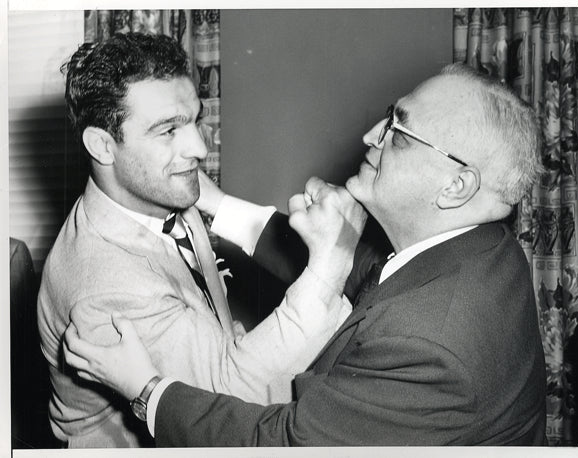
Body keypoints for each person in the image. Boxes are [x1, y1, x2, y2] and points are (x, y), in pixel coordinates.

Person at [63, 63, 548, 446]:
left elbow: (284, 442)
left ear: (456, 185)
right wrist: (215, 203)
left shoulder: (431, 344)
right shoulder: (482, 250)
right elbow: (366, 273)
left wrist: (147, 391)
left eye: (398, 131)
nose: (371, 135)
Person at [37, 32, 361, 448]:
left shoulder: (152, 188)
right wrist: (332, 262)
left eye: (195, 119)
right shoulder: (107, 288)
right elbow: (236, 405)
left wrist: (216, 342)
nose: (198, 147)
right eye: (168, 130)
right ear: (102, 146)